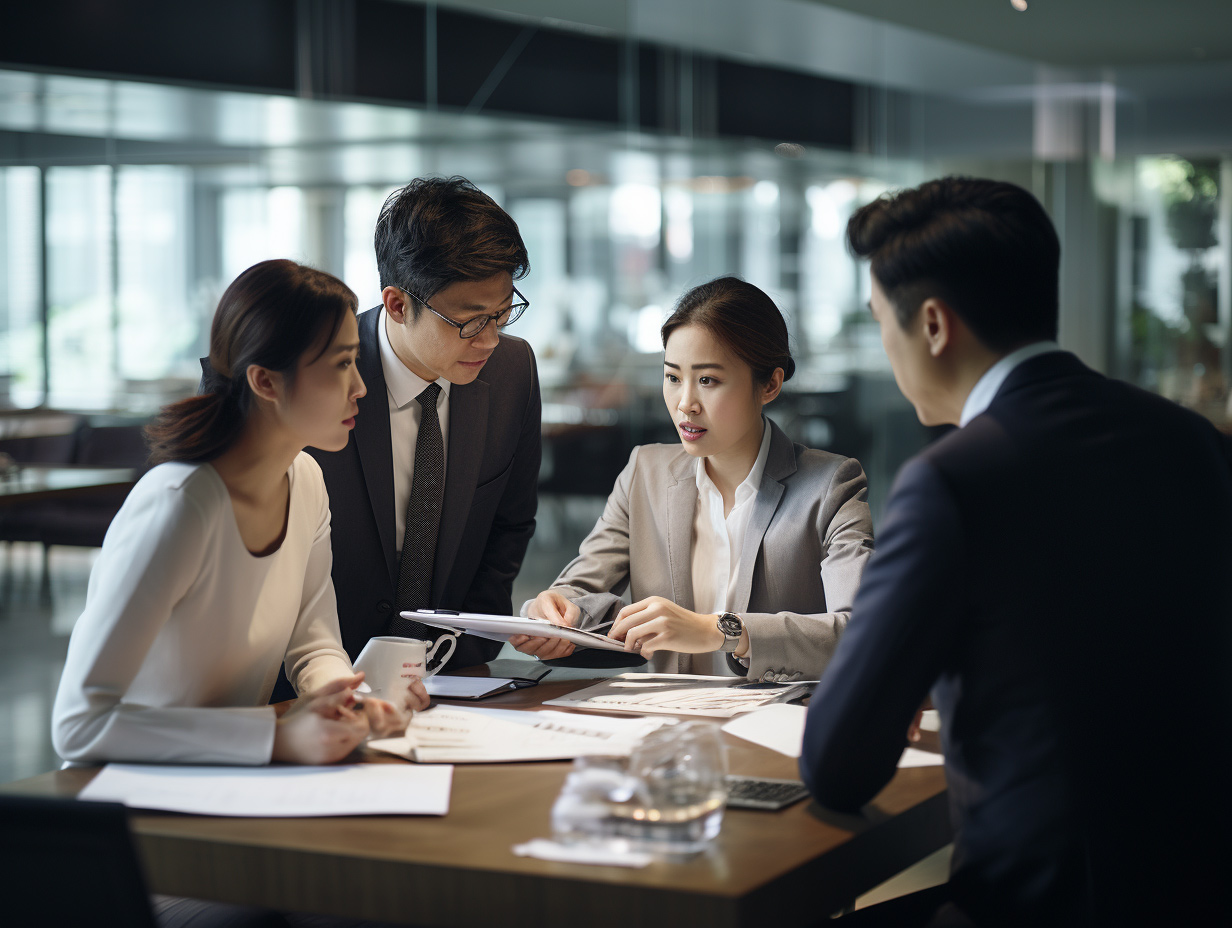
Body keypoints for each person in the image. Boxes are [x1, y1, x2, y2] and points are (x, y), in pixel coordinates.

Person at [798, 178, 1232, 926]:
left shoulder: (952, 480)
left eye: (881, 324)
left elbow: (838, 767)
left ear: (932, 324)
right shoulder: (1194, 441)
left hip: (1036, 904)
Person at [53, 259, 426, 768]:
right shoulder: (180, 505)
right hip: (131, 806)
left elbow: (313, 643)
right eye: (341, 364)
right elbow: (78, 725)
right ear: (266, 382)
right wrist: (274, 740)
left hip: (231, 787)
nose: (360, 386)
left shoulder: (307, 481)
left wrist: (348, 701)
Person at [515, 277, 874, 681]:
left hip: (775, 729)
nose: (685, 403)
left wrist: (718, 630)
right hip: (665, 727)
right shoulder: (644, 473)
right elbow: (579, 589)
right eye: (673, 377)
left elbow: (864, 633)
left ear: (770, 384)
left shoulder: (830, 486)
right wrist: (553, 612)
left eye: (708, 380)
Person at [296, 176, 541, 689]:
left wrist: (469, 643)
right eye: (472, 321)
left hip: (456, 675)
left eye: (502, 313)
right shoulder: (313, 374)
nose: (492, 338)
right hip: (309, 686)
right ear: (397, 304)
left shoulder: (512, 368)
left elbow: (510, 522)